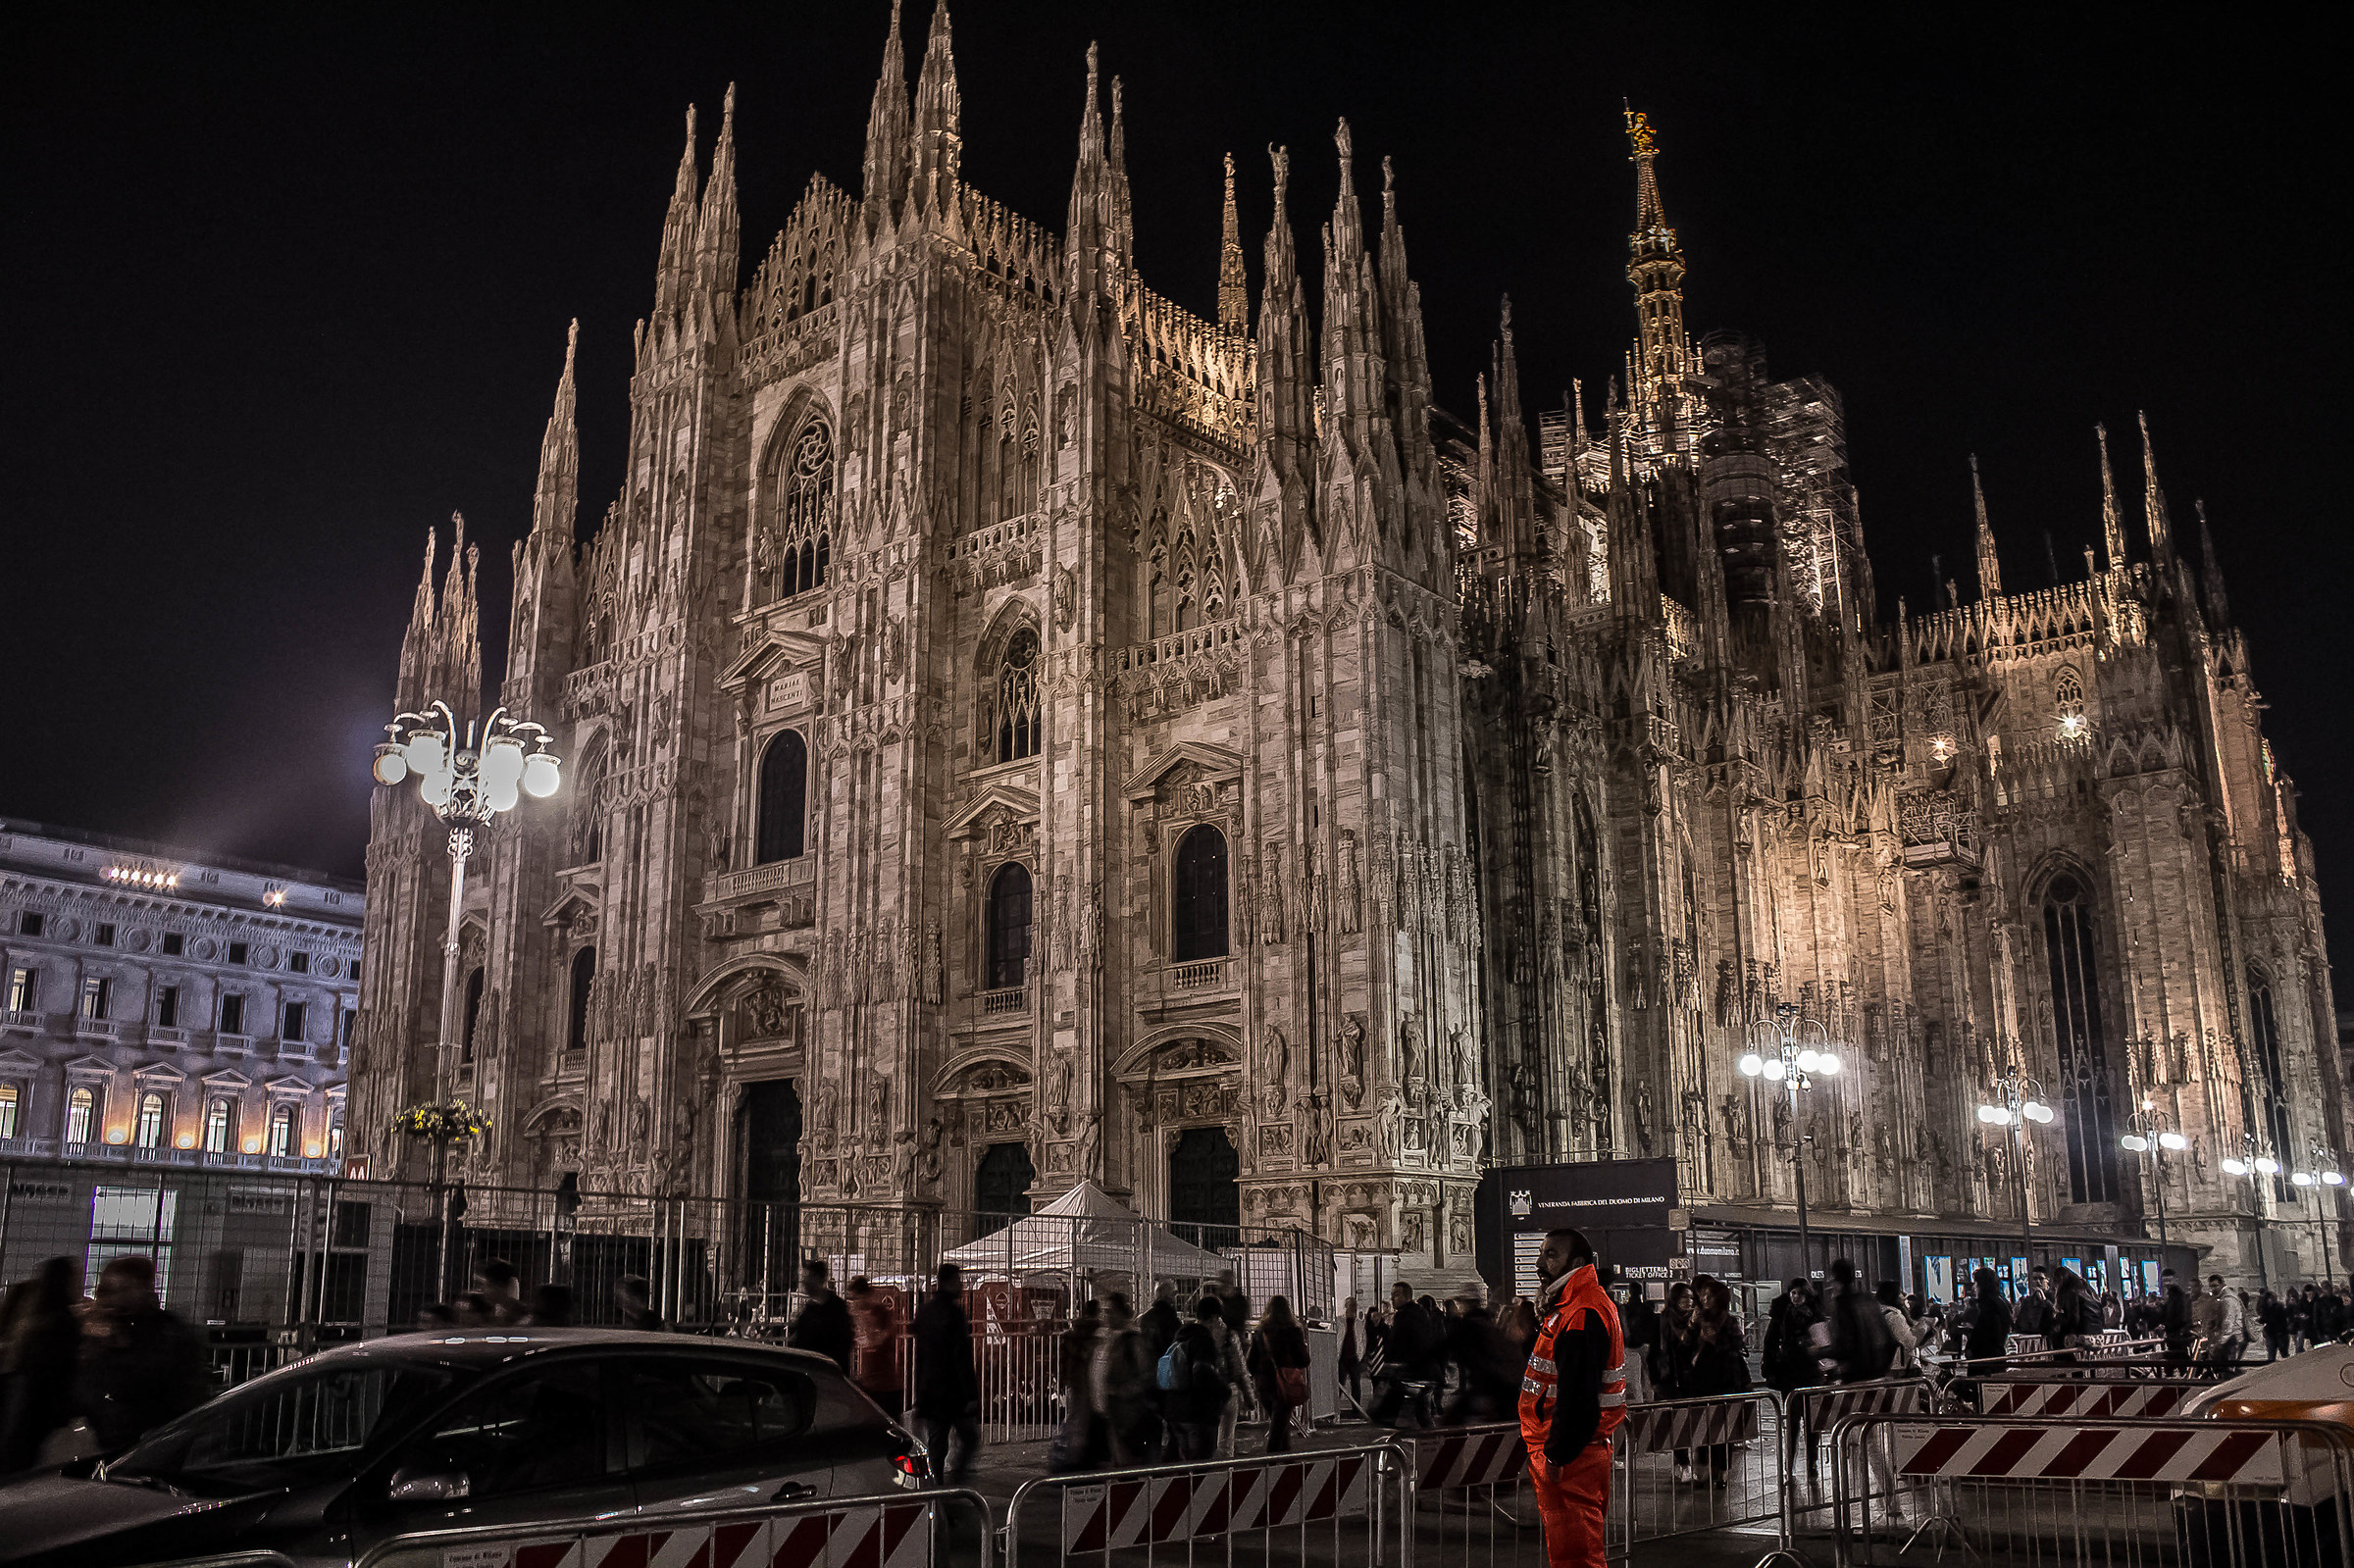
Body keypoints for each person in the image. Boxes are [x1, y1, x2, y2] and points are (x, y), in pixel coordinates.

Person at [1519, 1228, 1625, 1568]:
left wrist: (1557, 1455)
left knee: (1576, 1556)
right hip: (1575, 1450)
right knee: (1573, 1550)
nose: (1540, 1261)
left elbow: (1578, 1394)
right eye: (1542, 1252)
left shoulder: (1581, 1313)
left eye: (1551, 1254)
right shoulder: (1574, 1306)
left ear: (1577, 1263)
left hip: (1571, 1456)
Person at [74, 1255, 208, 1454]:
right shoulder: (104, 1330)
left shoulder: (167, 1333)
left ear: (144, 1288)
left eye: (125, 1289)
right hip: (114, 1440)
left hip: (152, 1441)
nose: (115, 1298)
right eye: (110, 1290)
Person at [0, 1258, 83, 1472]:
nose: (80, 1285)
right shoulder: (63, 1323)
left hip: (25, 1407)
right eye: (75, 1279)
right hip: (43, 1412)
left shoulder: (36, 1321)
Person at [913, 1264, 980, 1484]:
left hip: (931, 1391)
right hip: (953, 1391)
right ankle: (955, 1482)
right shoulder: (954, 1313)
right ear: (950, 1282)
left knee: (937, 1444)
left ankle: (936, 1487)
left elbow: (919, 1357)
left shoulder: (924, 1312)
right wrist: (971, 1394)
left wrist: (919, 1397)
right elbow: (961, 1356)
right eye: (958, 1281)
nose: (961, 1285)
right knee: (969, 1438)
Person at [1683, 1276, 1751, 1487]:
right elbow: (1685, 1345)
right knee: (1701, 1428)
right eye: (1704, 1295)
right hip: (1701, 1379)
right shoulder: (1697, 1318)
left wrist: (1713, 1339)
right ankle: (1702, 1472)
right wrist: (1693, 1325)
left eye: (1709, 1296)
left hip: (1725, 1378)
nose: (1704, 1299)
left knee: (1723, 1429)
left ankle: (1720, 1473)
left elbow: (1734, 1346)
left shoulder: (1728, 1321)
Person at [1094, 1293, 1160, 1465]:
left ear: (1121, 1313)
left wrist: (1124, 1391)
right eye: (1104, 1311)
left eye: (1110, 1311)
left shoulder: (1132, 1340)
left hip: (1129, 1414)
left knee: (1128, 1463)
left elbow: (1148, 1373)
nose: (1105, 1316)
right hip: (1114, 1411)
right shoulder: (1108, 1338)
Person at [1166, 1297, 1234, 1461]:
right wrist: (1224, 1391)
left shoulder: (1181, 1335)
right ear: (1212, 1319)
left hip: (1176, 1409)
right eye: (1218, 1319)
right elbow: (1202, 1372)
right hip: (1197, 1412)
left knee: (1185, 1463)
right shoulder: (1204, 1339)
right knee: (1200, 1464)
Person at [1249, 1294, 1312, 1451]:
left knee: (1280, 1426)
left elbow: (1250, 1362)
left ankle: (1286, 1464)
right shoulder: (1294, 1331)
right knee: (1278, 1430)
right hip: (1285, 1384)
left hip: (1263, 1384)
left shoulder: (1260, 1332)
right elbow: (1304, 1359)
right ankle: (1270, 1465)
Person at [1202, 1289, 1254, 1456]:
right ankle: (1225, 1476)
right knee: (1226, 1442)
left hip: (1204, 1393)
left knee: (1205, 1442)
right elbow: (1240, 1368)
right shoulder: (1229, 1335)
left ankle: (1204, 1477)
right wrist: (1249, 1396)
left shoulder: (1193, 1334)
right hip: (1228, 1391)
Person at [1053, 1299, 1103, 1471]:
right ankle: (1080, 1459)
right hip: (1091, 1379)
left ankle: (1071, 1456)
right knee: (1088, 1418)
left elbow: (1063, 1359)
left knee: (1075, 1417)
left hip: (1074, 1379)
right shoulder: (1097, 1331)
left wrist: (1061, 1378)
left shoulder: (1071, 1332)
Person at [788, 1258, 854, 1373]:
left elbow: (844, 1342)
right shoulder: (808, 1311)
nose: (804, 1283)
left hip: (830, 1373)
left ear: (819, 1279)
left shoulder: (837, 1308)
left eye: (808, 1279)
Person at [847, 1277, 904, 1410]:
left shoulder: (882, 1314)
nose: (853, 1303)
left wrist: (864, 1322)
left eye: (855, 1299)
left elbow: (878, 1340)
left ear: (864, 1296)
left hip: (885, 1385)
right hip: (868, 1382)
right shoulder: (860, 1316)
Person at [1962, 1267, 2012, 1375]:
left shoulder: (1989, 1306)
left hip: (1985, 1360)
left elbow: (1988, 1332)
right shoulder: (2002, 1302)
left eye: (1976, 1283)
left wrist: (1971, 1346)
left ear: (1982, 1285)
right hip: (1996, 1357)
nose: (1974, 1287)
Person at [2160, 1269, 2196, 1365]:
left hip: (2177, 1333)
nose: (2167, 1283)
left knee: (2179, 1359)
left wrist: (2169, 1325)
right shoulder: (2171, 1295)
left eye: (2169, 1280)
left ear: (2175, 1280)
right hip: (2175, 1332)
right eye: (2165, 1281)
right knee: (2178, 1359)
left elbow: (2180, 1315)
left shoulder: (2178, 1295)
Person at [474, 1259, 523, 1325]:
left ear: (501, 1286)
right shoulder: (495, 1311)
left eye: (488, 1285)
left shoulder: (518, 1316)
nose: (482, 1290)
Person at [1337, 1296, 1362, 1412]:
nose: (1352, 1307)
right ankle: (1335, 1409)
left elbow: (1363, 1340)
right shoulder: (1338, 1321)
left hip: (1354, 1357)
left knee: (1356, 1384)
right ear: (1345, 1306)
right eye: (1350, 1305)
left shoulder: (1359, 1323)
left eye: (1354, 1305)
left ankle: (1356, 1410)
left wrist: (1360, 1355)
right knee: (1339, 1384)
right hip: (1341, 1357)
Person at [2260, 1290, 2290, 1362]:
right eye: (2268, 1299)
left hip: (2280, 1332)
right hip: (2271, 1332)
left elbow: (2283, 1318)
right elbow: (2264, 1319)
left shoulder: (2279, 1307)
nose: (2270, 1300)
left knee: (2284, 1352)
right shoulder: (2265, 1308)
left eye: (2271, 1298)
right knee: (2271, 1353)